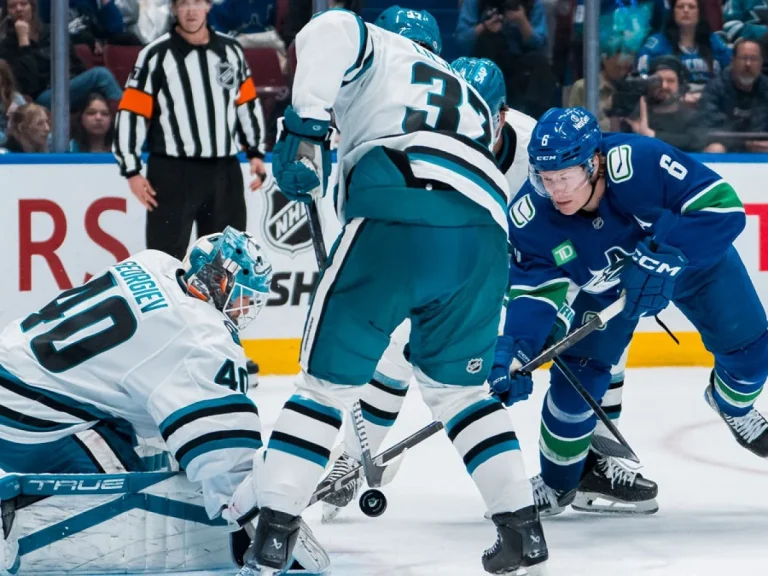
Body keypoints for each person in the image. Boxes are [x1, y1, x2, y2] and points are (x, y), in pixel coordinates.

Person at [243, 7, 549, 576]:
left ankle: (274, 534)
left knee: (323, 390)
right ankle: (521, 530)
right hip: (484, 234)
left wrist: (304, 128)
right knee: (461, 395)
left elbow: (331, 28)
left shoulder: (378, 49)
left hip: (399, 205)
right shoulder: (464, 89)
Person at [0, 226, 328, 575]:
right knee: (132, 513)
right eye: (242, 299)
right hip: (34, 421)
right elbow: (227, 458)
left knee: (158, 447)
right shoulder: (201, 338)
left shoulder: (152, 263)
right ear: (221, 285)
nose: (241, 310)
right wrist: (263, 516)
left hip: (17, 371)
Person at [492, 106, 768, 518]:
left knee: (752, 356)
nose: (556, 191)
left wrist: (667, 254)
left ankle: (731, 405)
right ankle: (557, 482)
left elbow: (723, 208)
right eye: (546, 179)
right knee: (574, 390)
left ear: (594, 163)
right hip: (608, 292)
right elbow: (534, 293)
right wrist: (517, 348)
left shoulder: (639, 161)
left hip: (695, 267)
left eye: (565, 177)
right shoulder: (531, 216)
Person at [113, 0, 266, 262]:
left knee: (226, 260)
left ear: (208, 6)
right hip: (172, 172)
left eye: (197, 2)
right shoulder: (155, 55)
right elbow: (132, 112)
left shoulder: (231, 51)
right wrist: (131, 170)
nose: (191, 10)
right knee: (165, 260)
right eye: (183, 3)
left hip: (224, 171)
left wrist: (255, 152)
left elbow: (246, 104)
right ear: (173, 9)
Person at [637, 0, 731, 101]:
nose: (686, 10)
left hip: (712, 100)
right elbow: (643, 79)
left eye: (691, 7)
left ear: (699, 12)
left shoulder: (714, 42)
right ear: (673, 12)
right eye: (681, 6)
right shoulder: (656, 44)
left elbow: (731, 73)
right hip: (670, 103)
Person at [699, 38, 768, 153]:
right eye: (743, 58)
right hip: (728, 147)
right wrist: (745, 144)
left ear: (761, 63)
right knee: (715, 149)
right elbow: (709, 129)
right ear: (732, 61)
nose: (748, 64)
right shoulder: (715, 88)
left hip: (762, 148)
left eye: (753, 59)